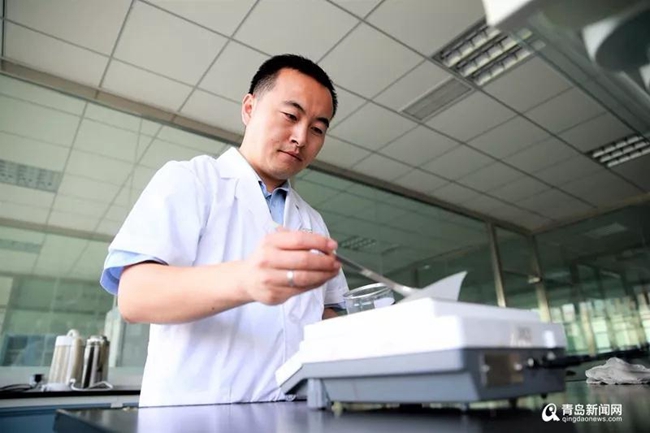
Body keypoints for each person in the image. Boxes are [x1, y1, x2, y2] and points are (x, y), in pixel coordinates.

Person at [100, 54, 349, 407]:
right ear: (249, 108)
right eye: (291, 116)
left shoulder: (312, 221)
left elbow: (327, 313)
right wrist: (247, 279)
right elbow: (135, 296)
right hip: (194, 415)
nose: (300, 137)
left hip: (293, 414)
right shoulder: (191, 180)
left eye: (317, 129)